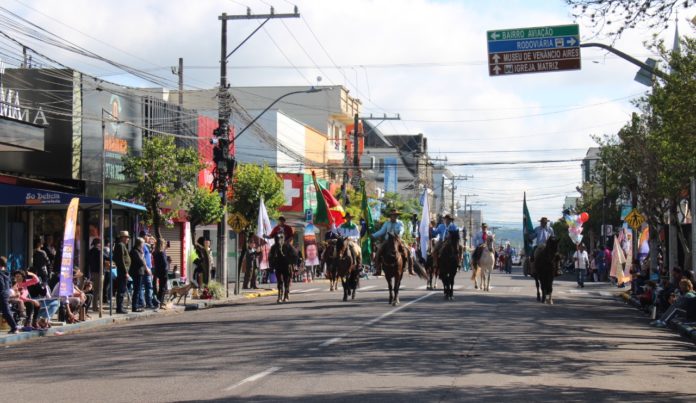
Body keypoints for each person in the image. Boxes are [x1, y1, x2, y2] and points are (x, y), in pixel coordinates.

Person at [372, 209, 410, 275]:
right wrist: (373, 235)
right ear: (390, 216)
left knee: (407, 250)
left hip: (397, 240)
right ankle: (378, 269)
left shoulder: (400, 223)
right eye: (392, 215)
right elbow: (382, 231)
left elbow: (402, 230)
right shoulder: (387, 223)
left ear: (397, 216)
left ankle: (407, 266)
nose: (394, 217)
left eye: (395, 215)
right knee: (379, 250)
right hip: (387, 240)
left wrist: (399, 235)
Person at [139, 231, 158, 309]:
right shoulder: (142, 245)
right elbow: (142, 257)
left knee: (146, 287)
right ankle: (147, 303)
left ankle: (145, 302)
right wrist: (146, 267)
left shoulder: (146, 245)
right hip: (146, 269)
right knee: (148, 286)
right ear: (144, 236)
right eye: (147, 236)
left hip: (148, 268)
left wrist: (152, 239)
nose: (149, 238)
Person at [113, 231, 131, 314]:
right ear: (122, 237)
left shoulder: (122, 245)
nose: (128, 239)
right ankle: (119, 308)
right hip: (122, 271)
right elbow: (121, 260)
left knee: (122, 290)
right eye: (126, 237)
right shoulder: (120, 245)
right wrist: (125, 272)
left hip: (123, 271)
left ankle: (120, 306)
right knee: (121, 290)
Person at [0, 256, 19, 334]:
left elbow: (1, 285)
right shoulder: (6, 273)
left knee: (6, 311)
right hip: (6, 292)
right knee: (5, 311)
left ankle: (14, 328)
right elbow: (10, 284)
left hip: (2, 293)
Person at [129, 237, 147, 313]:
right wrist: (142, 255)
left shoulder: (139, 251)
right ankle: (134, 306)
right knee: (136, 289)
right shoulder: (135, 251)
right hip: (137, 272)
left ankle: (137, 305)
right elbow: (140, 261)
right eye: (143, 243)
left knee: (138, 289)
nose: (143, 245)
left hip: (140, 272)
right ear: (140, 243)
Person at [153, 239, 169, 307]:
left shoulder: (155, 252)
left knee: (161, 288)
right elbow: (165, 264)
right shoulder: (162, 253)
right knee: (163, 288)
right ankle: (160, 302)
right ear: (162, 244)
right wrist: (167, 270)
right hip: (163, 272)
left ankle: (159, 301)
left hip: (158, 271)